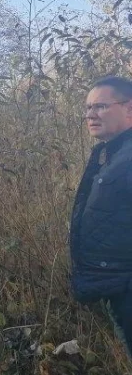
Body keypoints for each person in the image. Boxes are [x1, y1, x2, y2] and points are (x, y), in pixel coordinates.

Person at [70, 75, 132, 360]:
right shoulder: (114, 153)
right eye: (88, 108)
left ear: (129, 108)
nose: (91, 114)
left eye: (101, 107)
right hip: (118, 283)